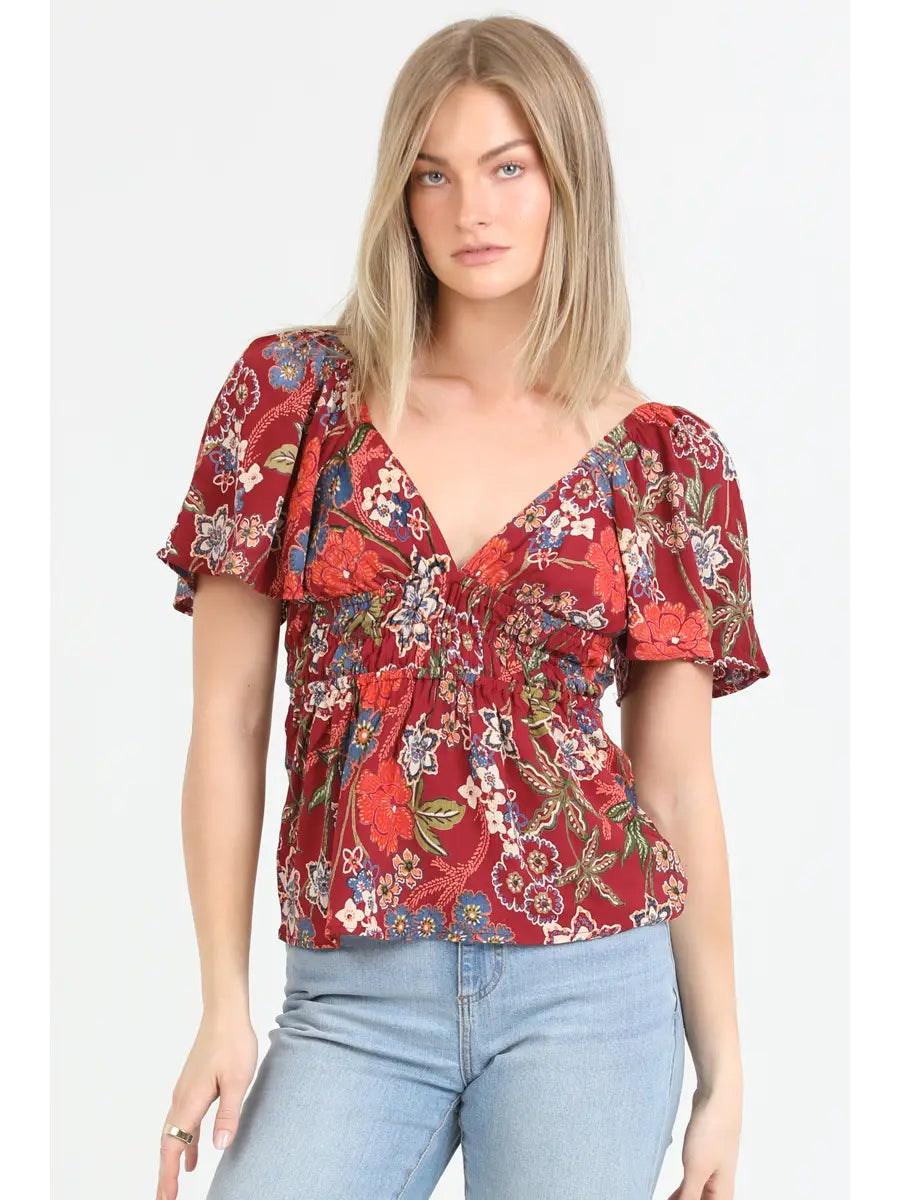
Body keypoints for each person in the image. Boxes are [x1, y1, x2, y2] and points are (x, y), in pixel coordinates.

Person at [154, 16, 770, 1200]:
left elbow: (678, 785)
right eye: (434, 174)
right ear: (401, 194)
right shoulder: (290, 403)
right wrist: (222, 1003)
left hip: (592, 992)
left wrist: (725, 1075)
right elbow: (227, 722)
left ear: (567, 183)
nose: (470, 211)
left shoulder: (666, 464)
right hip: (353, 998)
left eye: (507, 168)